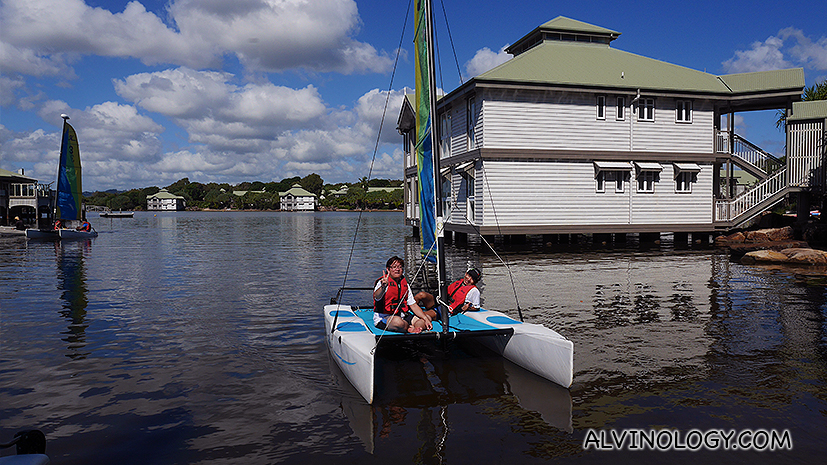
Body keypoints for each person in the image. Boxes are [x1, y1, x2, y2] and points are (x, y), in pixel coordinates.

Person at [373, 256, 432, 333]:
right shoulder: (383, 283)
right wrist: (383, 287)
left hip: (403, 315)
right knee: (397, 322)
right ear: (388, 269)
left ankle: (416, 328)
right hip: (386, 318)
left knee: (427, 317)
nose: (397, 269)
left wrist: (426, 319)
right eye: (394, 267)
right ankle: (409, 328)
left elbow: (413, 305)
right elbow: (376, 296)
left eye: (400, 267)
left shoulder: (405, 284)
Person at [414, 268, 482, 323]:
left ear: (475, 282)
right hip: (440, 302)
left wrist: (467, 308)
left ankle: (411, 319)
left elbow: (476, 307)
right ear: (466, 274)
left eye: (472, 279)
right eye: (469, 276)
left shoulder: (474, 291)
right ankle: (406, 311)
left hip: (446, 310)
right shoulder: (459, 281)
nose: (469, 279)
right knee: (421, 295)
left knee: (422, 316)